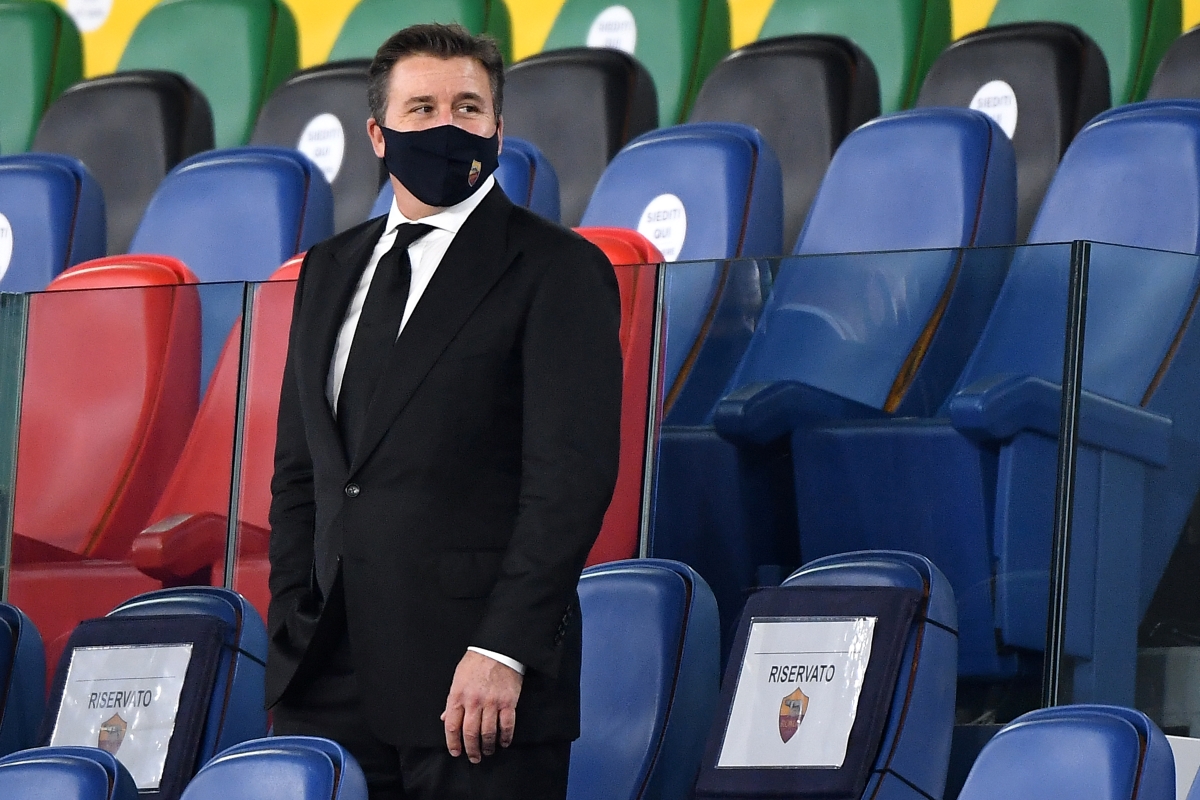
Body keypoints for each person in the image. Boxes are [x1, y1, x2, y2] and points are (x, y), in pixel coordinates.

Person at [264, 23, 623, 800]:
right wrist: (292, 612)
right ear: (379, 134)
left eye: (468, 107)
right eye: (421, 108)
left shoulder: (558, 269)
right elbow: (302, 470)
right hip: (325, 676)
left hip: (479, 691)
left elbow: (568, 483)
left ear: (499, 126)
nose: (447, 126)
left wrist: (504, 649)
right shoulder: (327, 271)